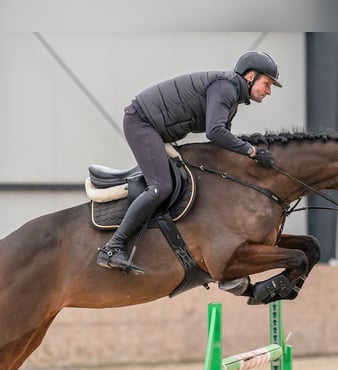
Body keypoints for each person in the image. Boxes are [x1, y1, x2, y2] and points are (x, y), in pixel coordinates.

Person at [96, 50, 281, 275]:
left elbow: (222, 140)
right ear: (251, 76)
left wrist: (249, 152)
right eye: (267, 83)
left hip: (154, 127)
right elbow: (215, 132)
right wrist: (251, 151)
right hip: (142, 123)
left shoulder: (231, 94)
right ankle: (112, 247)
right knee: (160, 187)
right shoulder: (226, 88)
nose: (269, 91)